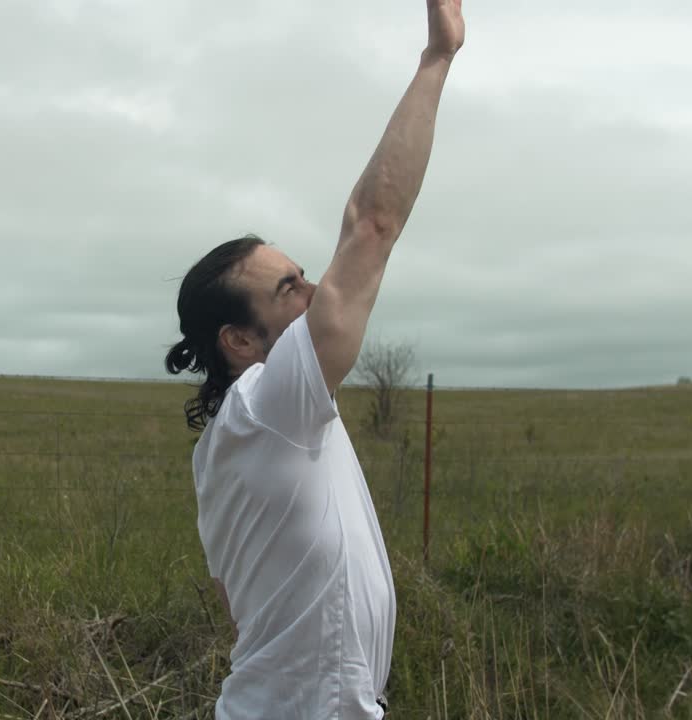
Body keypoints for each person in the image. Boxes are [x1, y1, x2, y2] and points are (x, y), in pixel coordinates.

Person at [164, 1, 465, 716]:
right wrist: (437, 58)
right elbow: (372, 225)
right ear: (238, 341)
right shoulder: (267, 404)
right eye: (288, 288)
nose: (314, 292)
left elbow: (245, 609)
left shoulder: (226, 448)